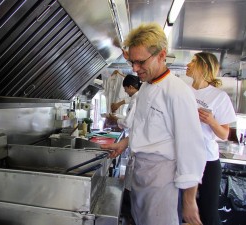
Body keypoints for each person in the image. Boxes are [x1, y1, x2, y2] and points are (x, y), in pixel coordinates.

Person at [100, 22, 206, 225]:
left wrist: (189, 200)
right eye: (132, 62)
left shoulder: (177, 92)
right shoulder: (147, 87)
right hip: (140, 172)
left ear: (161, 54)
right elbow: (144, 127)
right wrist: (123, 144)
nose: (135, 68)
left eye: (140, 62)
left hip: (161, 178)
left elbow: (190, 147)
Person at [186, 52, 236, 225]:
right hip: (184, 158)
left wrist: (211, 121)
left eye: (193, 61)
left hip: (208, 160)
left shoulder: (218, 97)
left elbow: (224, 134)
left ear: (204, 66)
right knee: (180, 210)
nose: (188, 64)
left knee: (208, 212)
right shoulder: (183, 91)